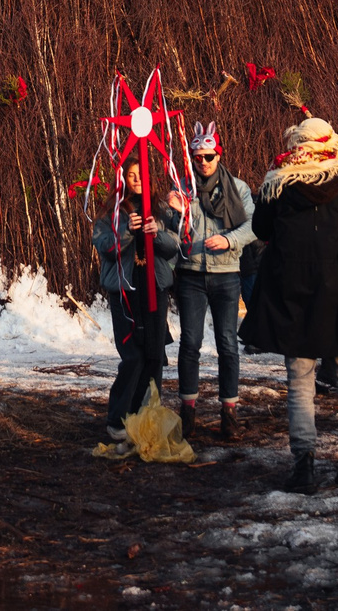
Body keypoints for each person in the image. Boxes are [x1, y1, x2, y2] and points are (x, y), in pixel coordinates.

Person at [243, 115, 338, 490]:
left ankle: (304, 465)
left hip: (294, 293)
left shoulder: (280, 185)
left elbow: (260, 230)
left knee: (300, 380)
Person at [92, 154, 184, 444]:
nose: (136, 180)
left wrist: (157, 233)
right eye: (131, 175)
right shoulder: (111, 212)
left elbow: (174, 246)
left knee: (155, 354)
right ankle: (118, 418)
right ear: (123, 179)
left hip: (154, 289)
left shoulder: (160, 208)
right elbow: (105, 247)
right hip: (125, 292)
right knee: (132, 355)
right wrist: (127, 232)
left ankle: (146, 415)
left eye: (140, 174)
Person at [172, 126, 253, 437]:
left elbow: (253, 225)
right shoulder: (183, 187)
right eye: (197, 157)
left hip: (226, 274)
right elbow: (172, 231)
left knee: (228, 345)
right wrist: (172, 210)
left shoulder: (238, 188)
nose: (203, 162)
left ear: (219, 155)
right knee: (190, 343)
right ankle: (188, 412)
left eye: (209, 156)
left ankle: (229, 413)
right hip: (191, 273)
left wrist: (229, 241)